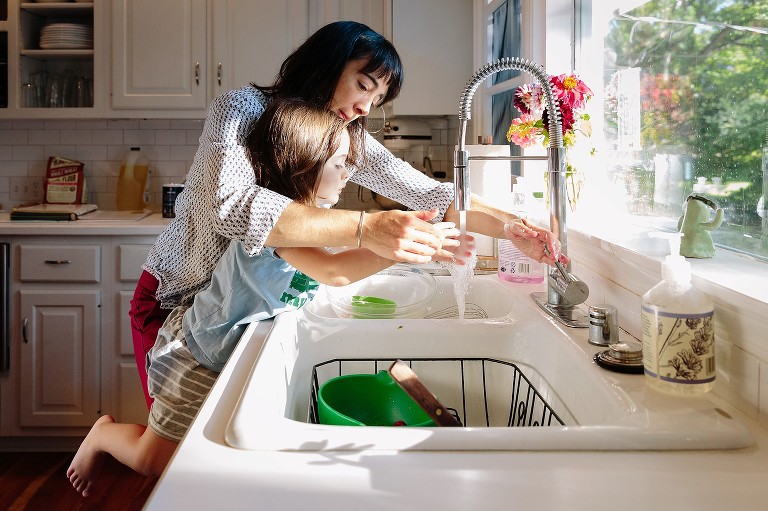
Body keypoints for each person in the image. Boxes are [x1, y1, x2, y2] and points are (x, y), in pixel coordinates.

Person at [130, 20, 564, 409]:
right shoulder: (240, 109)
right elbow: (232, 208)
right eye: (363, 85)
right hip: (181, 306)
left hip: (245, 312)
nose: (365, 109)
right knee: (169, 451)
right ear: (327, 63)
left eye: (377, 99)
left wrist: (512, 228)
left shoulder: (342, 132)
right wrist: (366, 227)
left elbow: (431, 194)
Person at [69, 99, 461, 498]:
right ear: (305, 163)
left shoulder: (313, 215)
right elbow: (336, 271)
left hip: (229, 350)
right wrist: (412, 245)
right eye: (340, 163)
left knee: (202, 457)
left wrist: (411, 241)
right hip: (200, 356)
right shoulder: (279, 221)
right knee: (156, 462)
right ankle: (102, 435)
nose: (349, 173)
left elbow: (339, 262)